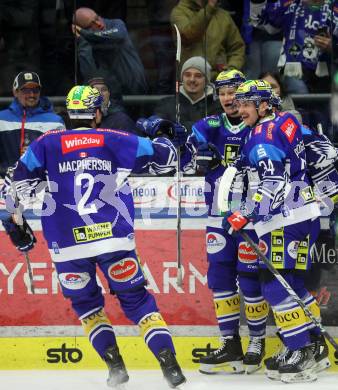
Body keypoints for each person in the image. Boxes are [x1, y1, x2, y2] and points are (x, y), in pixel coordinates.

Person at [2, 85, 187, 389]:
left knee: (88, 307)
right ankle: (171, 367)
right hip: (113, 240)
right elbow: (167, 158)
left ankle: (116, 368)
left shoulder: (45, 144)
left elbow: (13, 193)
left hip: (68, 246)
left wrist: (16, 228)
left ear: (70, 114)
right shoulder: (114, 138)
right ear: (97, 112)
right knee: (138, 302)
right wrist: (167, 133)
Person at [222, 79, 326, 383]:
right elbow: (324, 152)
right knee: (291, 281)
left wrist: (248, 213)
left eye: (245, 103)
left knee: (273, 286)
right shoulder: (288, 121)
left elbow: (273, 181)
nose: (238, 109)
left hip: (284, 219)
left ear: (264, 104)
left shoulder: (262, 134)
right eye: (237, 103)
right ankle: (313, 346)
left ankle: (301, 350)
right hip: (304, 213)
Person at [182, 69, 269, 374]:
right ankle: (230, 342)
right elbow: (186, 158)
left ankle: (257, 341)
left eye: (233, 92)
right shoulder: (206, 125)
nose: (228, 98)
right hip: (216, 216)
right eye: (222, 93)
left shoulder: (256, 126)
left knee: (250, 279)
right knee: (220, 279)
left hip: (250, 217)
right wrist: (191, 155)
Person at [250, 0, 338, 94]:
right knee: (300, 93)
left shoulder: (335, 7)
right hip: (293, 70)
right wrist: (257, 2)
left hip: (328, 72)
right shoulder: (289, 3)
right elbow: (262, 22)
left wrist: (333, 47)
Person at [0, 71, 65, 178]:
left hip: (39, 185)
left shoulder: (55, 121)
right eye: (26, 90)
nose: (32, 94)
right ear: (15, 92)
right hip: (3, 183)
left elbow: (59, 158)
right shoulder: (1, 119)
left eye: (35, 90)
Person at [72, 7, 147, 98]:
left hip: (135, 88)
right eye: (91, 25)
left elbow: (118, 35)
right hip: (111, 95)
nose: (98, 24)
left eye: (96, 18)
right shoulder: (87, 42)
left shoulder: (116, 24)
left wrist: (86, 34)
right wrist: (83, 40)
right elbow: (89, 74)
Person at [170, 0, 246, 80]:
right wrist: (209, 8)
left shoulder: (223, 16)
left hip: (218, 82)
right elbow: (189, 35)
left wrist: (230, 71)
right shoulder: (179, 13)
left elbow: (237, 48)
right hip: (191, 81)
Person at [154, 56, 220, 134]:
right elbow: (157, 132)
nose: (192, 80)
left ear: (207, 80)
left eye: (198, 76)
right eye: (187, 75)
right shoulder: (166, 104)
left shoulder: (217, 106)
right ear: (182, 78)